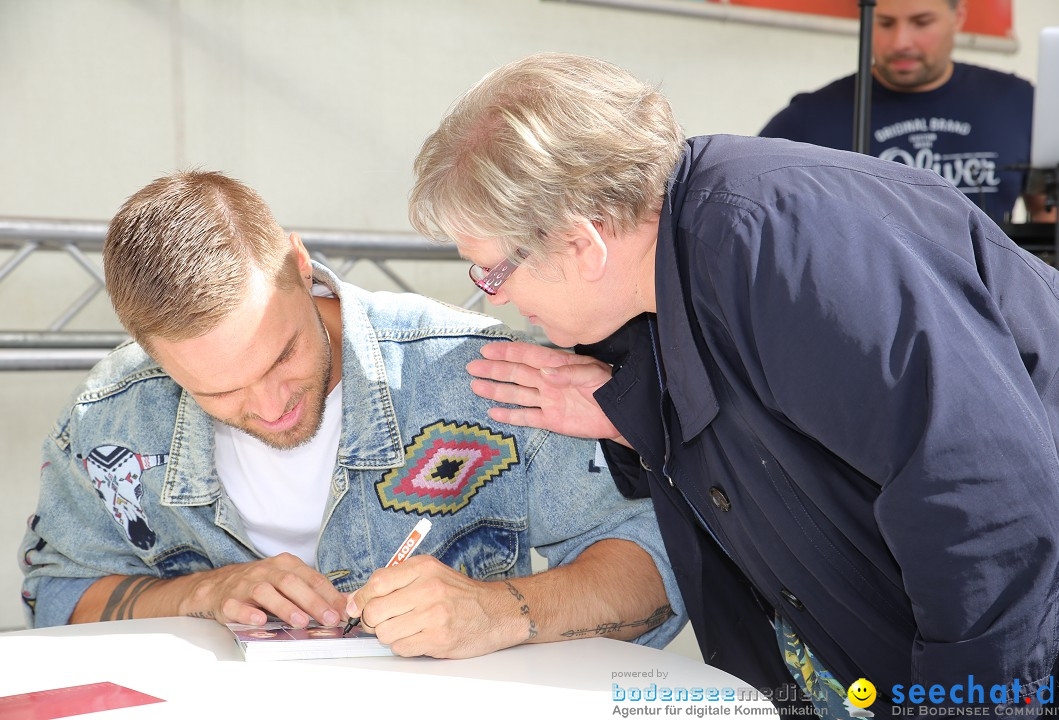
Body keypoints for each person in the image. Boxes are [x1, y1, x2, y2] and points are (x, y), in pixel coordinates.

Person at [408, 52, 1059, 714]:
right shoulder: (668, 259)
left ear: (582, 243)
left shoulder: (781, 247)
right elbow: (772, 427)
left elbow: (983, 501)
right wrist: (630, 412)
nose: (492, 297)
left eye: (492, 271)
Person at [18, 170, 686, 661]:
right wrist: (205, 593)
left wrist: (500, 612)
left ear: (300, 264)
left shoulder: (474, 375)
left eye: (282, 355)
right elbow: (56, 599)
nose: (272, 406)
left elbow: (661, 563)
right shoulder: (112, 418)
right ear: (156, 360)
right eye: (220, 394)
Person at [759, 0, 1035, 226]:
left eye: (921, 22)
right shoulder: (807, 120)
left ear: (958, 16)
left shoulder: (1017, 101)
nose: (901, 41)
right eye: (885, 23)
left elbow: (1058, 220)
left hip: (993, 292)